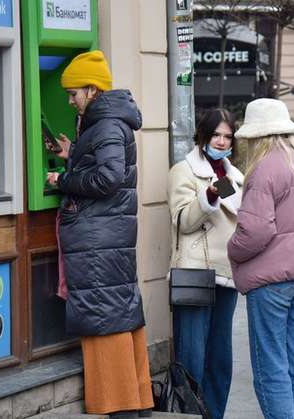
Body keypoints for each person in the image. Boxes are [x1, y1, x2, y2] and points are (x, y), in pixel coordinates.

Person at [46, 50, 152, 418]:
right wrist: (71, 154)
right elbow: (105, 163)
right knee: (116, 315)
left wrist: (64, 180)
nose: (70, 100)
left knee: (105, 321)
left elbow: (108, 178)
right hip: (107, 235)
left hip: (99, 239)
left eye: (73, 93)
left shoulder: (105, 123)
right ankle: (134, 402)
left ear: (92, 89)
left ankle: (121, 407)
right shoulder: (105, 121)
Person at [227, 98, 294, 419]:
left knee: (270, 366)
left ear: (255, 136)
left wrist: (232, 248)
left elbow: (255, 232)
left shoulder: (265, 168)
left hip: (272, 281)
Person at [167, 109, 243, 419]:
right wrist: (207, 197)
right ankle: (189, 415)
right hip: (196, 272)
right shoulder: (183, 172)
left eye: (227, 137)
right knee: (192, 357)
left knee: (220, 357)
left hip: (227, 273)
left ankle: (214, 414)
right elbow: (183, 221)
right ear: (203, 136)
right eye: (216, 135)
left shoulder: (235, 176)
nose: (222, 142)